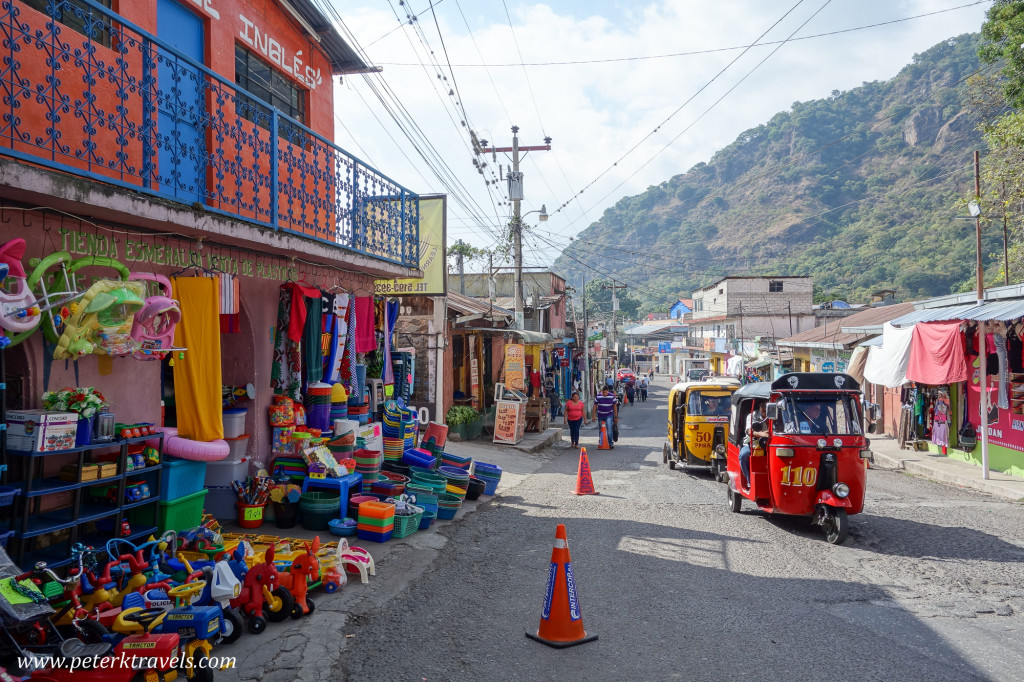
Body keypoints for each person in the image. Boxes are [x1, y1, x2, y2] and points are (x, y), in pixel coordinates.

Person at [739, 402, 769, 490]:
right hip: (753, 444)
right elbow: (749, 431)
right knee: (743, 455)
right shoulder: (752, 416)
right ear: (759, 406)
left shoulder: (777, 415)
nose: (765, 409)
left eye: (767, 406)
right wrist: (762, 434)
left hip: (772, 444)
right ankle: (750, 481)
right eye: (763, 406)